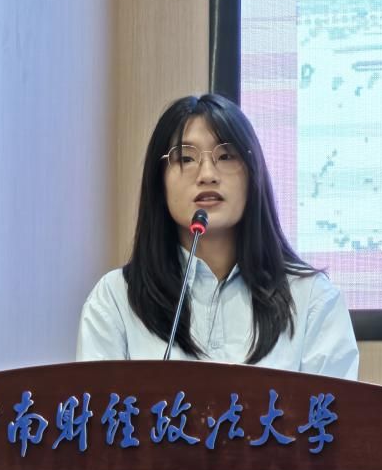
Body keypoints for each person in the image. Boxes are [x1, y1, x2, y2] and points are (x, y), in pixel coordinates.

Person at [76, 94, 358, 379]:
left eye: (226, 156)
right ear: (159, 181)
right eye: (186, 158)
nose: (207, 174)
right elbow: (97, 405)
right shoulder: (116, 298)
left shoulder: (312, 299)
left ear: (253, 174)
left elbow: (334, 407)